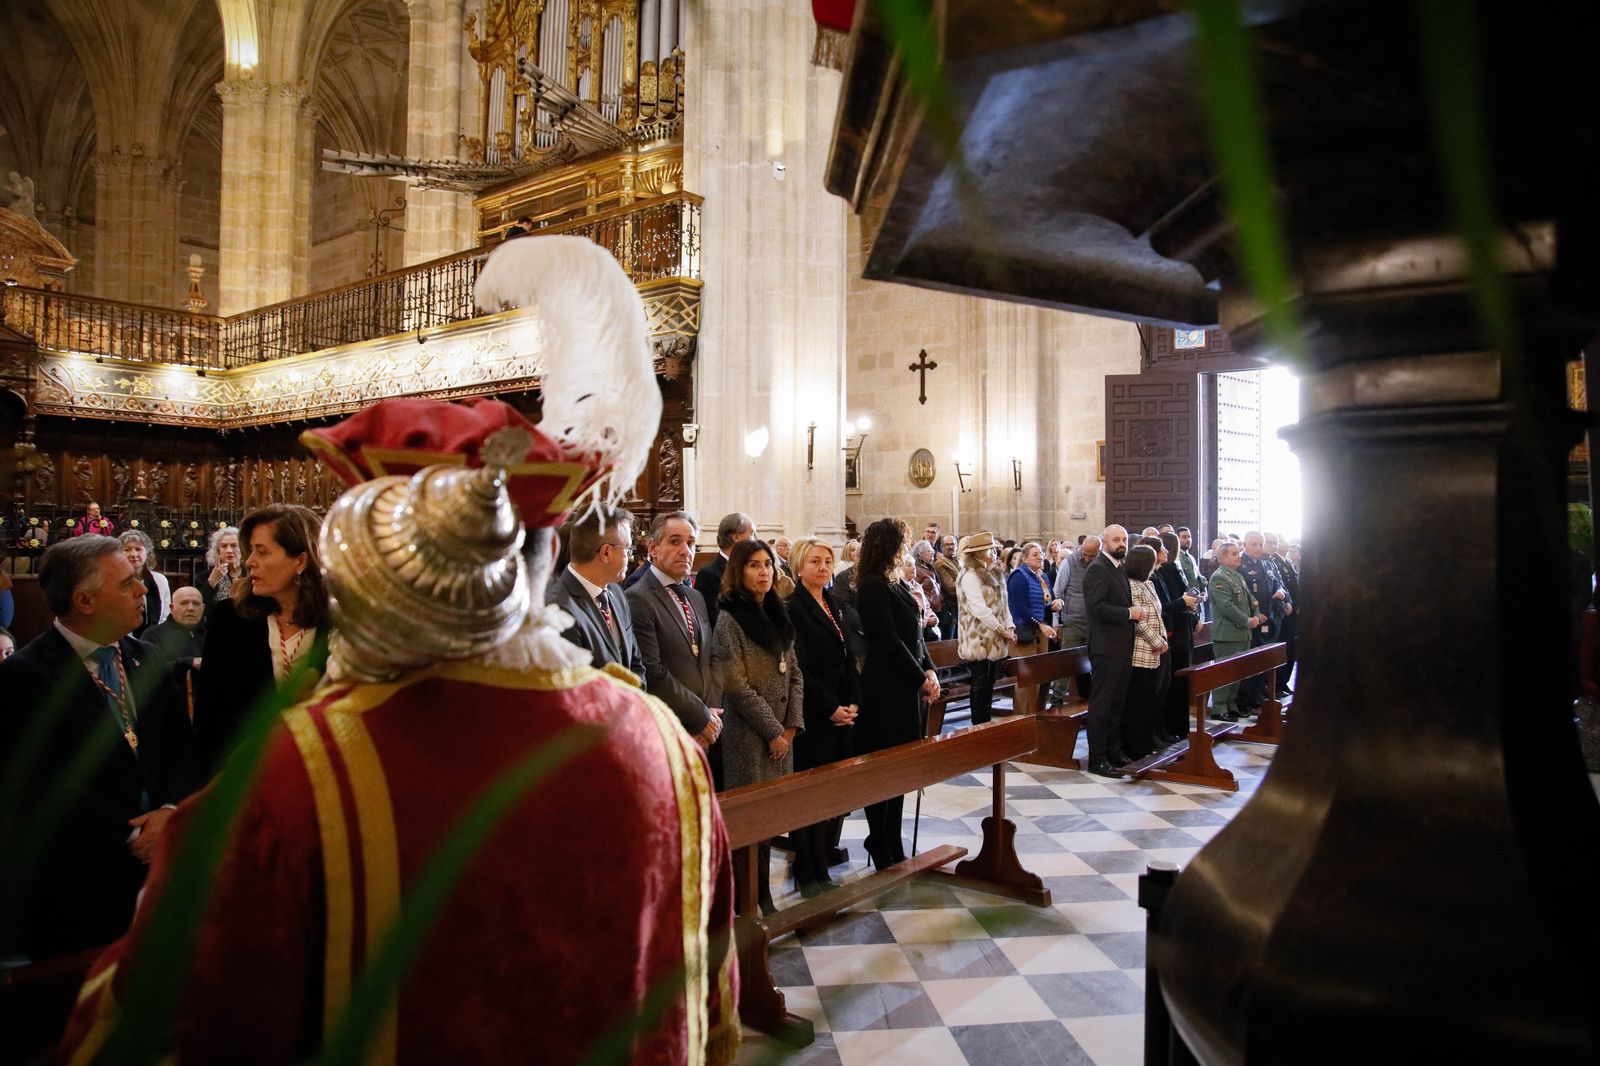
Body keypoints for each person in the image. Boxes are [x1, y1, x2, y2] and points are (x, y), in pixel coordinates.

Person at [61, 237, 738, 1065]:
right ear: (540, 560)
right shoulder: (662, 743)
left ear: (375, 564)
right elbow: (711, 1007)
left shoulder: (300, 773)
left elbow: (139, 1033)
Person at [0, 536, 197, 960]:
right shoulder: (24, 677)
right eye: (127, 583)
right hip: (80, 886)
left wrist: (169, 813)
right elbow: (39, 785)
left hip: (163, 873)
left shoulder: (146, 657)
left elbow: (183, 748)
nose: (142, 590)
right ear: (84, 601)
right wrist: (136, 834)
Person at [193, 504, 331, 776]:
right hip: (244, 779)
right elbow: (209, 717)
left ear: (300, 561)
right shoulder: (230, 619)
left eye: (262, 551)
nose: (249, 561)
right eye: (251, 550)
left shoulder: (341, 622)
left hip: (324, 775)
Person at [712, 539, 803, 915]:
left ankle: (764, 893)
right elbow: (737, 687)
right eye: (754, 565)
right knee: (750, 824)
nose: (764, 571)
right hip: (750, 738)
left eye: (767, 564)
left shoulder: (778, 610)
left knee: (771, 821)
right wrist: (773, 732)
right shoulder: (729, 620)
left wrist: (791, 728)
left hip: (782, 735)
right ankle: (747, 900)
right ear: (739, 571)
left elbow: (794, 673)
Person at [854, 518, 939, 869]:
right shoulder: (872, 585)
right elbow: (887, 641)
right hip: (885, 689)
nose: (905, 549)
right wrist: (920, 678)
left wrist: (930, 669)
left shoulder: (896, 582)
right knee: (883, 769)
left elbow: (915, 634)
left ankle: (892, 837)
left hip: (905, 687)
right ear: (888, 545)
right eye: (902, 542)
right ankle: (879, 838)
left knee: (901, 768)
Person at [786, 537, 859, 894]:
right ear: (799, 566)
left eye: (828, 561)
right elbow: (799, 668)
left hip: (841, 710)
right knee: (807, 795)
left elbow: (849, 657)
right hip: (814, 714)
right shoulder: (792, 608)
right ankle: (807, 870)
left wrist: (854, 701)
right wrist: (830, 707)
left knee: (828, 793)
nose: (823, 567)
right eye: (815, 561)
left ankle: (822, 864)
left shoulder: (835, 603)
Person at [627, 511, 726, 767]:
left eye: (691, 543)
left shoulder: (696, 597)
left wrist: (711, 713)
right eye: (674, 541)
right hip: (670, 728)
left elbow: (712, 656)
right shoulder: (638, 597)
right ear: (653, 548)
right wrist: (700, 716)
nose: (685, 550)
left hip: (708, 726)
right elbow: (653, 671)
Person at [547, 504, 644, 681]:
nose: (630, 557)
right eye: (628, 549)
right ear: (606, 552)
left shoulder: (616, 593)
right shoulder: (559, 610)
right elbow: (579, 685)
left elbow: (636, 664)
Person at [1084, 524, 1139, 778]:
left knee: (1118, 703)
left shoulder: (1118, 567)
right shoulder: (1098, 568)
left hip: (1121, 645)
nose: (1121, 544)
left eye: (1124, 539)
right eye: (1116, 540)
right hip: (1106, 647)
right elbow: (1096, 607)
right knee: (1102, 705)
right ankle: (1097, 758)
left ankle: (1114, 752)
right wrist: (1128, 613)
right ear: (1104, 543)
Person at [955, 531, 1016, 724]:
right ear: (979, 553)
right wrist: (1001, 630)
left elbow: (1004, 604)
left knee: (990, 681)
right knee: (980, 681)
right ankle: (978, 724)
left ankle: (987, 723)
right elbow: (979, 608)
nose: (994, 553)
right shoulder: (969, 575)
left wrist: (1010, 626)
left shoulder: (993, 573)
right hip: (979, 637)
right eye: (990, 550)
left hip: (994, 636)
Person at [1123, 544, 1171, 759]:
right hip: (1140, 650)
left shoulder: (1149, 584)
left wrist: (1162, 640)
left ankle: (1146, 742)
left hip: (1155, 649)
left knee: (1150, 700)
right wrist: (1157, 641)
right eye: (1152, 562)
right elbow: (1139, 621)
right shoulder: (1131, 586)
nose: (1155, 566)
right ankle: (1135, 748)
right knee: (1138, 701)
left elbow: (1157, 616)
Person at [1208, 541, 1260, 721]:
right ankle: (1219, 707)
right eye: (1234, 553)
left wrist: (1256, 615)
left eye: (1238, 552)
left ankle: (1231, 705)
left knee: (1237, 673)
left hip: (1242, 633)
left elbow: (1251, 599)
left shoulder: (1237, 576)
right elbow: (1226, 606)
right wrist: (1246, 621)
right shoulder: (1219, 578)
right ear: (1222, 558)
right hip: (1228, 634)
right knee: (1224, 672)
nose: (1238, 556)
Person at [1157, 531, 1200, 741]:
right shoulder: (1165, 571)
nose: (1166, 551)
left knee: (1181, 682)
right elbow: (1167, 604)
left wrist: (1191, 606)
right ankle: (1174, 726)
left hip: (1182, 630)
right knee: (1175, 683)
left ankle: (1180, 727)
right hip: (1175, 633)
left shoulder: (1174, 567)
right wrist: (1184, 602)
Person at [696, 512, 754, 633]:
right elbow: (714, 620)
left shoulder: (750, 571)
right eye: (752, 534)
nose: (755, 540)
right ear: (736, 537)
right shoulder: (708, 575)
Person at [1006, 541, 1060, 656]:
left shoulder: (1043, 576)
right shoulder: (1018, 576)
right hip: (1024, 632)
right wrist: (1040, 624)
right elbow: (1020, 607)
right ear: (1025, 559)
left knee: (1042, 666)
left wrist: (1056, 603)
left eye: (1041, 554)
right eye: (1035, 555)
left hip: (1041, 631)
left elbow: (1049, 602)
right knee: (1026, 666)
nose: (1040, 557)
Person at [144, 584, 207, 681]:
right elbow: (147, 672)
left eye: (196, 603)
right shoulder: (153, 635)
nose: (190, 608)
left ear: (203, 608)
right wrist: (188, 663)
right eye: (184, 603)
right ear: (172, 607)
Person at [119, 529, 170, 637]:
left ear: (148, 553)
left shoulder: (160, 580)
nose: (133, 554)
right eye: (127, 550)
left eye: (138, 549)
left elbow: (165, 614)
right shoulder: (116, 580)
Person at [1053, 535, 1100, 648]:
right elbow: (1057, 593)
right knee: (1069, 657)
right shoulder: (1068, 563)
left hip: (1096, 623)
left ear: (1099, 552)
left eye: (1092, 556)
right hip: (1073, 623)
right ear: (1081, 548)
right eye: (1085, 554)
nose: (1087, 559)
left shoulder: (1102, 563)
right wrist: (1055, 623)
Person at [901, 553, 942, 642]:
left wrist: (932, 616)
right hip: (914, 632)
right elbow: (908, 613)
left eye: (914, 565)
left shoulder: (917, 585)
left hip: (925, 630)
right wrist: (927, 621)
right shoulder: (901, 587)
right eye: (909, 565)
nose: (914, 567)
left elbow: (927, 606)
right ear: (900, 569)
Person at [203, 525, 242, 607]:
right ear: (218, 551)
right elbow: (201, 603)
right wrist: (212, 580)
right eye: (224, 546)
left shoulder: (252, 573)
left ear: (242, 548)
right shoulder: (206, 576)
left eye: (234, 545)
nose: (229, 550)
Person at [933, 534, 960, 639]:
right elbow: (951, 588)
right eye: (947, 544)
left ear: (956, 546)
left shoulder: (959, 561)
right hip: (950, 608)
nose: (950, 547)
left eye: (952, 544)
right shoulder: (940, 563)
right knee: (950, 640)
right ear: (942, 547)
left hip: (960, 607)